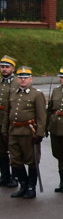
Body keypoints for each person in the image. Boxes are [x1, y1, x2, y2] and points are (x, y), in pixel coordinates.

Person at [7, 66, 47, 199]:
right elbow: (8, 113)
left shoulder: (36, 94)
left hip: (29, 131)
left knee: (32, 160)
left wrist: (40, 133)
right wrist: (4, 130)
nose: (23, 80)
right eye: (20, 77)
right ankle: (23, 184)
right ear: (17, 79)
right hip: (14, 130)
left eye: (25, 78)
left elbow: (42, 116)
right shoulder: (13, 93)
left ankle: (31, 187)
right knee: (15, 160)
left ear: (31, 79)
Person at [0, 54, 18, 187]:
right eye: (2, 67)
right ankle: (5, 175)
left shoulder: (17, 83)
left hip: (11, 121)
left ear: (13, 69)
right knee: (1, 151)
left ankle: (16, 177)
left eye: (7, 67)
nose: (4, 69)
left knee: (14, 151)